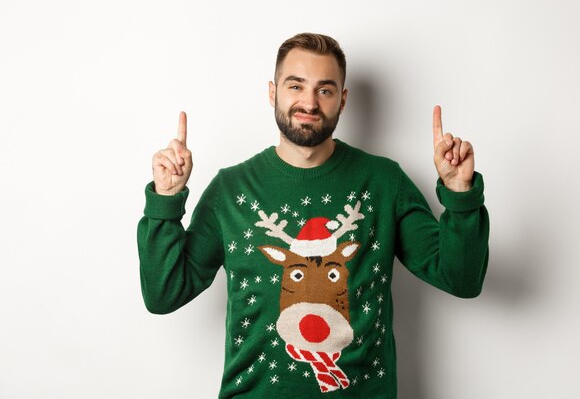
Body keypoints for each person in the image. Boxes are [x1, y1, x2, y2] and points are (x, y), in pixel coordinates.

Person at [137, 33, 489, 398]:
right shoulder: (231, 189)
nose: (309, 102)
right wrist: (166, 200)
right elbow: (163, 295)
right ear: (273, 93)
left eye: (325, 90)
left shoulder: (386, 183)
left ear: (343, 99)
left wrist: (460, 194)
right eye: (295, 86)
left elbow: (461, 279)